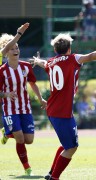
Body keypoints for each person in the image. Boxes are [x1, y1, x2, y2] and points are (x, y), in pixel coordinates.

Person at [29, 33, 96, 180]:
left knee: (66, 145)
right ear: (69, 49)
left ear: (56, 50)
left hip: (54, 109)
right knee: (71, 147)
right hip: (61, 111)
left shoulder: (51, 62)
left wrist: (37, 61)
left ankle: (51, 173)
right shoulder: (73, 58)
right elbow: (92, 55)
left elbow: (45, 63)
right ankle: (55, 177)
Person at [0, 23, 47, 176]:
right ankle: (27, 168)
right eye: (12, 48)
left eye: (17, 47)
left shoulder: (26, 66)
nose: (16, 50)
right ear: (6, 52)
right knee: (20, 138)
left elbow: (33, 83)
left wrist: (41, 99)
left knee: (29, 140)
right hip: (9, 108)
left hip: (25, 107)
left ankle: (7, 133)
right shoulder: (2, 71)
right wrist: (6, 95)